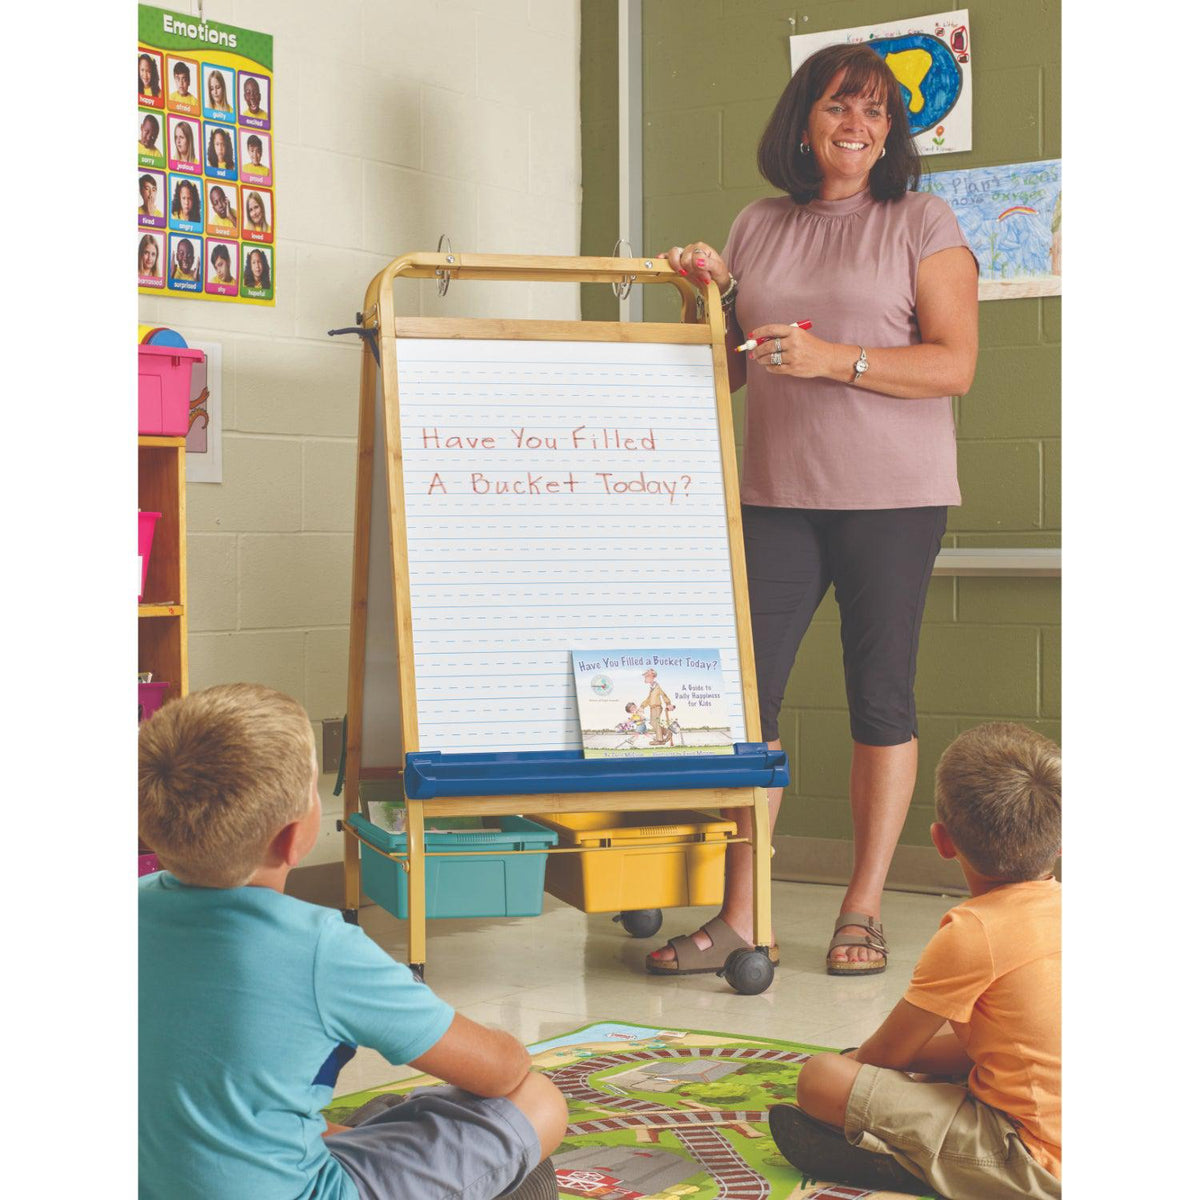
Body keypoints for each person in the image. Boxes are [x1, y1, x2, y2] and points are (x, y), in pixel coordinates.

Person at [649, 43, 978, 979]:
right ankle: (740, 918)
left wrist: (836, 359)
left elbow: (954, 365)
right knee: (751, 708)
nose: (859, 126)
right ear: (805, 119)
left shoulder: (924, 218)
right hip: (774, 496)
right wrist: (699, 295)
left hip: (895, 500)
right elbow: (725, 371)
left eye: (877, 113)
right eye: (841, 106)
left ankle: (862, 908)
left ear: (892, 133)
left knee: (881, 698)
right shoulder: (758, 224)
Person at [139, 683, 567, 1200]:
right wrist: (507, 1046)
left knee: (382, 1118)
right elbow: (500, 1072)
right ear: (295, 836)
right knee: (538, 1102)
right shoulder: (321, 949)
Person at [769, 722, 1061, 1199]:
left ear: (941, 842)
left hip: (1037, 1165)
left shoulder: (974, 932)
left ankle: (908, 1162)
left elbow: (886, 1055)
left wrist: (858, 1066)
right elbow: (990, 1042)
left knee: (822, 1076)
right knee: (938, 1056)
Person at [639, 668, 674, 745]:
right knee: (652, 723)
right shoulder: (652, 688)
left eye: (646, 676)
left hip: (657, 707)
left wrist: (668, 704)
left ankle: (660, 740)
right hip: (652, 707)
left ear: (652, 677)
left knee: (656, 723)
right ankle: (668, 732)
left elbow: (664, 695)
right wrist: (642, 706)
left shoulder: (657, 687)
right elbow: (648, 699)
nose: (645, 678)